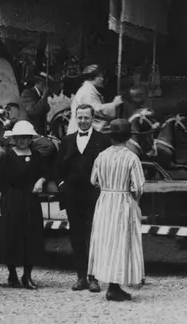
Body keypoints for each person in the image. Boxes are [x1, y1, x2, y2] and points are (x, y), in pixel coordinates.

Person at [88, 119, 146, 301]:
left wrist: (107, 188)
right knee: (121, 242)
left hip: (105, 201)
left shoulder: (101, 156)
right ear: (128, 137)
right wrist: (132, 199)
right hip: (122, 200)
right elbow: (139, 186)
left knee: (105, 241)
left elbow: (93, 180)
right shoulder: (131, 157)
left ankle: (112, 284)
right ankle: (114, 286)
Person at [58, 105, 112, 292]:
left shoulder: (103, 140)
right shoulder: (66, 140)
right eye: (79, 118)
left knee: (94, 236)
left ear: (92, 119)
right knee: (77, 236)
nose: (82, 121)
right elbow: (59, 168)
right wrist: (62, 185)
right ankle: (81, 277)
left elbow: (107, 167)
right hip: (73, 195)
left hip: (94, 195)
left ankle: (94, 277)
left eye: (86, 118)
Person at [0, 120, 52, 289]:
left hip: (31, 199)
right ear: (14, 138)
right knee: (12, 235)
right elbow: (0, 182)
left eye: (26, 137)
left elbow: (46, 172)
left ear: (30, 138)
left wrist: (40, 181)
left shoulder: (36, 155)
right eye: (20, 137)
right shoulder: (7, 156)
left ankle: (27, 275)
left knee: (31, 236)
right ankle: (12, 274)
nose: (23, 141)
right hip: (12, 199)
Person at [69, 65, 122, 132]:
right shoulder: (87, 91)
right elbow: (96, 110)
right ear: (92, 77)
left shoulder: (89, 89)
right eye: (100, 76)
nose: (102, 79)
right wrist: (114, 104)